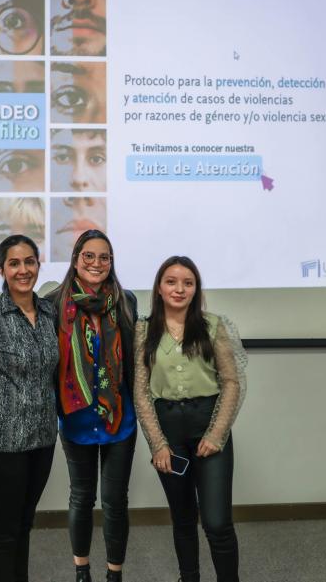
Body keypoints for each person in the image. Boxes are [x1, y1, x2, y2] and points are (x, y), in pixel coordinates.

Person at [132, 256, 248, 582]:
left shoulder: (213, 326)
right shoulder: (143, 330)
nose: (179, 289)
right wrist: (158, 444)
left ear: (196, 289)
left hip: (208, 425)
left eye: (188, 283)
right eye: (171, 281)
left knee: (217, 523)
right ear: (159, 287)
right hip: (168, 432)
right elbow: (140, 392)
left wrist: (216, 434)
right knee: (183, 519)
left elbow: (231, 382)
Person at [45, 230, 138, 582]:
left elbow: (132, 359)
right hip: (76, 418)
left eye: (104, 257)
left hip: (119, 418)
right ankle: (81, 571)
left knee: (115, 501)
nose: (96, 263)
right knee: (81, 497)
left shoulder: (126, 301)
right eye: (89, 256)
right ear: (75, 259)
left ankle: (114, 574)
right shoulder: (54, 302)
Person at [0, 235, 60, 582]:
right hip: (2, 444)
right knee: (5, 530)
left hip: (43, 439)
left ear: (38, 265)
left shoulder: (50, 313)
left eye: (29, 262)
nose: (23, 270)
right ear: (1, 270)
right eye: (14, 263)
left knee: (24, 524)